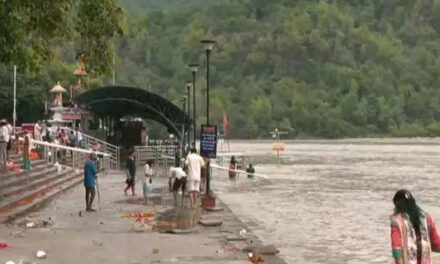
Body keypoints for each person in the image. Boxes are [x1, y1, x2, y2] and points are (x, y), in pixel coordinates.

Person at [390, 189, 440, 264]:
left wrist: (398, 261)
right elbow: (436, 243)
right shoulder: (426, 218)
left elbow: (396, 245)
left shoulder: (397, 221)